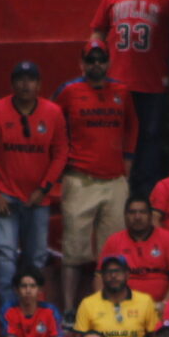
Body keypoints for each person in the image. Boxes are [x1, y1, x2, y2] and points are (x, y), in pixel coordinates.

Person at [87, 0, 169, 192]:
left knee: (150, 137)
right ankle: (115, 187)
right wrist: (92, 64)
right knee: (116, 135)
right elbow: (97, 30)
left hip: (152, 80)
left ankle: (146, 195)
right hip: (116, 80)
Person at [57, 45, 137, 308]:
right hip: (80, 179)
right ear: (81, 63)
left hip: (114, 181)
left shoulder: (122, 92)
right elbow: (54, 127)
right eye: (91, 60)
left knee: (112, 252)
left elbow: (132, 128)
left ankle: (107, 307)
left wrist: (127, 163)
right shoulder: (69, 91)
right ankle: (69, 308)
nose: (96, 64)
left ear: (109, 62)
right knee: (74, 250)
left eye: (101, 60)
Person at [0, 62, 65, 298]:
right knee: (6, 254)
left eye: (31, 79)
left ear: (39, 84)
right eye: (20, 79)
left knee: (36, 256)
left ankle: (32, 311)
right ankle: (8, 314)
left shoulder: (53, 113)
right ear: (12, 84)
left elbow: (60, 154)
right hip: (4, 195)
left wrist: (44, 188)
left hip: (38, 197)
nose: (25, 84)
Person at [73, 256, 160, 337]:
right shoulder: (88, 303)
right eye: (108, 272)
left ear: (127, 274)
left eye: (118, 271)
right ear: (102, 276)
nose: (113, 276)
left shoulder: (145, 301)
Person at [100, 192, 169, 306]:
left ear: (151, 216)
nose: (137, 217)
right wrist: (105, 304)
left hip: (160, 306)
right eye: (132, 212)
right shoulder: (114, 240)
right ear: (125, 216)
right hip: (123, 306)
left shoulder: (168, 238)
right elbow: (99, 276)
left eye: (142, 212)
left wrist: (166, 304)